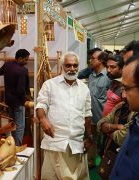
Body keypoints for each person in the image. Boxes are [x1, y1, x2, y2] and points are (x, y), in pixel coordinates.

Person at [36, 51, 92, 179]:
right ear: (62, 66)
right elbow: (41, 105)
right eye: (68, 65)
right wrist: (43, 119)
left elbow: (87, 115)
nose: (72, 69)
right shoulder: (50, 85)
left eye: (75, 65)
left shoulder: (84, 88)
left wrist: (89, 137)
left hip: (76, 144)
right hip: (55, 142)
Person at [0, 49, 30, 146]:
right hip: (18, 102)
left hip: (9, 100)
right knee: (20, 126)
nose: (26, 62)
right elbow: (20, 90)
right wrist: (27, 98)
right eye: (25, 60)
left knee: (12, 124)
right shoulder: (22, 71)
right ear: (20, 58)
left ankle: (11, 146)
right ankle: (17, 147)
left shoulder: (8, 64)